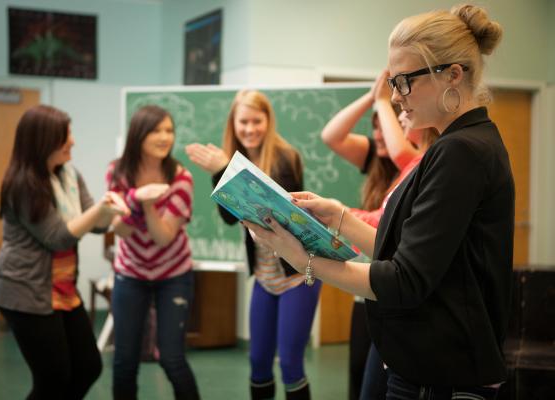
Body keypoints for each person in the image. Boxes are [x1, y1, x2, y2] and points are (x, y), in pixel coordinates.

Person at [245, 4, 513, 399]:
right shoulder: (457, 146)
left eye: (404, 81)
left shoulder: (462, 152)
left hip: (442, 376)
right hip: (429, 368)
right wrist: (339, 217)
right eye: (392, 81)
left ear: (453, 75)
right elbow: (411, 255)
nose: (395, 96)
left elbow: (404, 281)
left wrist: (304, 261)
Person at [185, 89, 320, 400]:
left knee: (289, 364)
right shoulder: (231, 161)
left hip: (298, 274)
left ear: (268, 121)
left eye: (256, 121)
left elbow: (272, 213)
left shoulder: (286, 158)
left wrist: (224, 172)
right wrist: (222, 173)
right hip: (265, 276)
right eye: (242, 122)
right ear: (233, 124)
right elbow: (230, 218)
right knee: (258, 362)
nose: (249, 129)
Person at [0, 105, 127, 399]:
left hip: (61, 289)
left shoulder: (69, 175)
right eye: (66, 136)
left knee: (88, 367)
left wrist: (115, 209)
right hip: (26, 292)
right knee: (52, 378)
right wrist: (100, 213)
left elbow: (93, 223)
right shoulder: (22, 184)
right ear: (43, 140)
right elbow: (57, 237)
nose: (73, 141)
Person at [322, 70, 438, 399]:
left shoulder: (420, 162)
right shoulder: (403, 165)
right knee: (364, 379)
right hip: (377, 283)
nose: (398, 117)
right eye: (392, 114)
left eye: (404, 110)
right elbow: (378, 222)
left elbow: (380, 227)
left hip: (394, 290)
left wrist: (382, 100)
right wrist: (332, 212)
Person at [107, 105, 200, 400]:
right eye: (156, 130)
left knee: (172, 358)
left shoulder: (181, 178)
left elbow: (162, 237)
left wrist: (145, 203)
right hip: (130, 273)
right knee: (124, 361)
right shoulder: (118, 172)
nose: (165, 137)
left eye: (169, 131)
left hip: (174, 274)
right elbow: (119, 230)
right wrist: (137, 196)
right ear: (139, 134)